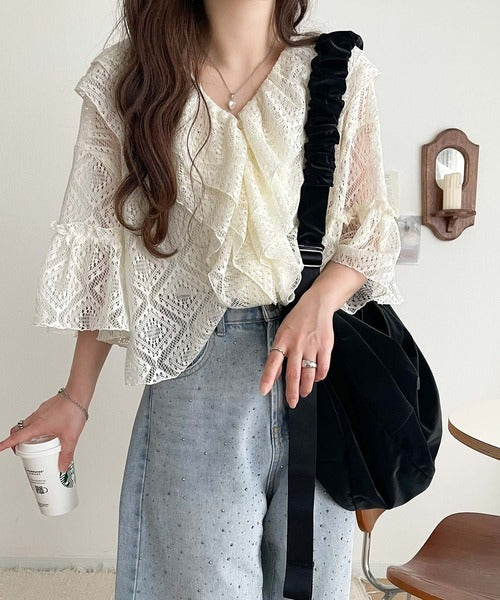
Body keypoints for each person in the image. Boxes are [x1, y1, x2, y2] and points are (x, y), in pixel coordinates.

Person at [0, 0, 404, 598]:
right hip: (193, 374)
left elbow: (371, 229)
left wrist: (320, 301)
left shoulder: (337, 70)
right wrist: (75, 397)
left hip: (318, 375)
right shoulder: (130, 79)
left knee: (313, 587)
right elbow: (102, 251)